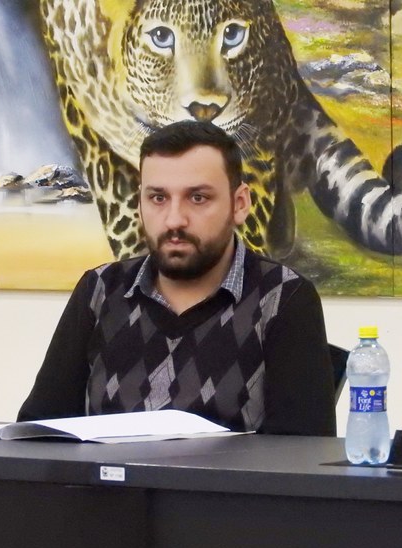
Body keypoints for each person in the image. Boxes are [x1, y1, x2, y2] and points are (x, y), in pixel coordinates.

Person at [18, 120, 336, 435]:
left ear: (239, 204)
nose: (174, 220)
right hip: (108, 473)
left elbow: (302, 453)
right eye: (158, 198)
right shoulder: (100, 290)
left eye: (198, 198)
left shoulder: (282, 298)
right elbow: (38, 432)